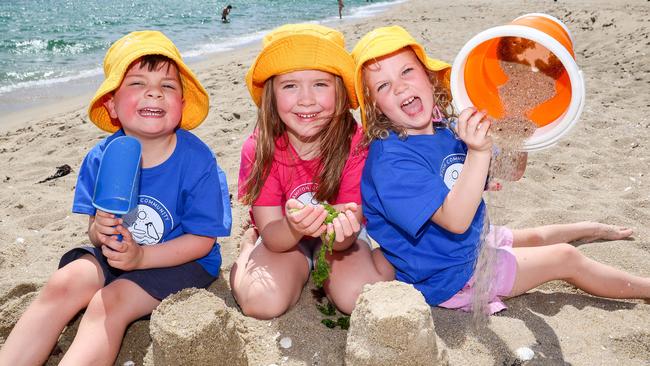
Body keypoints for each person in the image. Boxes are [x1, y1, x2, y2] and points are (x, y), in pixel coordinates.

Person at [351, 25, 648, 315]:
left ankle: (592, 228)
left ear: (429, 78)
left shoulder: (446, 127)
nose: (400, 86)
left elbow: (512, 170)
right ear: (376, 107)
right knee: (565, 257)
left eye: (406, 71)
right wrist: (478, 152)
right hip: (451, 276)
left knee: (535, 238)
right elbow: (454, 220)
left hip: (470, 242)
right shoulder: (390, 162)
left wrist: (515, 127)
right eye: (383, 86)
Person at [0, 30, 232, 365]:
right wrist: (101, 230)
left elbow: (202, 241)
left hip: (182, 258)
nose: (154, 91)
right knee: (63, 284)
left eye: (168, 86)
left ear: (181, 104)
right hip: (118, 252)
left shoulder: (197, 161)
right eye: (137, 83)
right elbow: (93, 227)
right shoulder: (103, 157)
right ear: (111, 103)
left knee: (108, 303)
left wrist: (141, 260)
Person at [230, 23, 394, 319]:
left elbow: (344, 235)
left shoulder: (354, 143)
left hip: (340, 241)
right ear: (271, 95)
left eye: (320, 84)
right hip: (280, 237)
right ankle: (245, 248)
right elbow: (273, 236)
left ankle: (370, 258)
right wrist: (295, 227)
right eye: (290, 85)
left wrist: (338, 234)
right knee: (261, 303)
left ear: (340, 92)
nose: (306, 99)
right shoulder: (259, 149)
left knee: (356, 299)